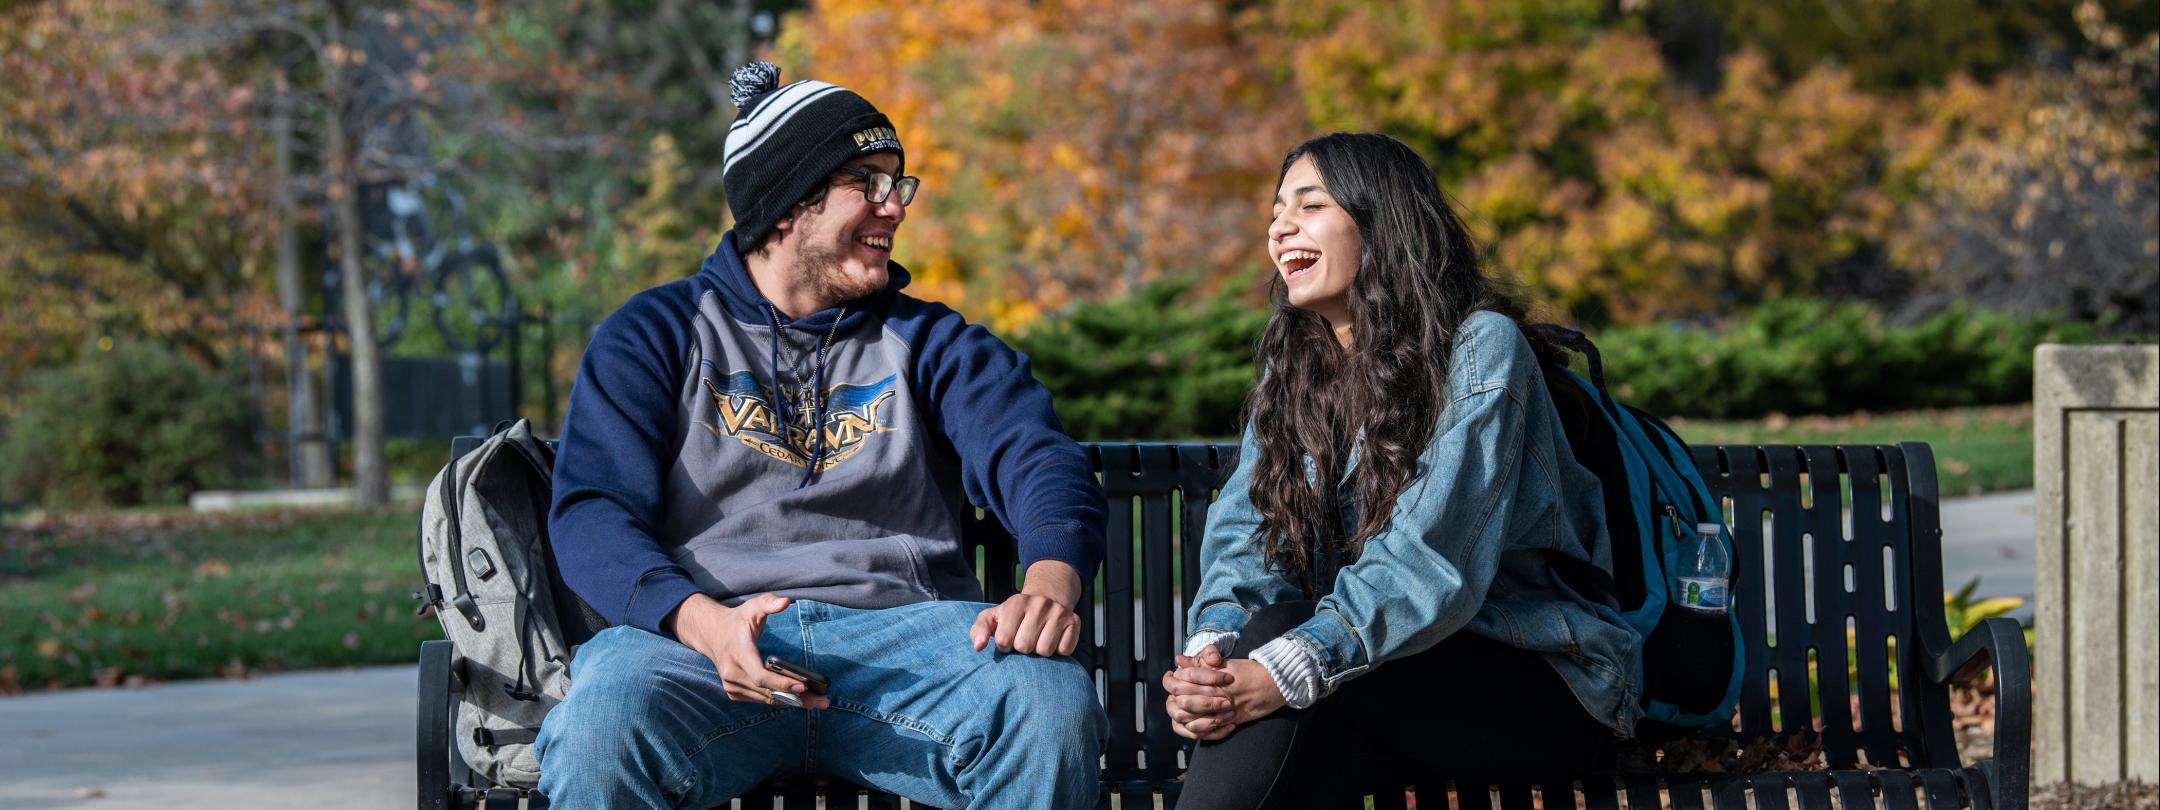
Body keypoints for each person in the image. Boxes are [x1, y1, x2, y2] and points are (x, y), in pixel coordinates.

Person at [535, 62, 1108, 809]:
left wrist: (1049, 584)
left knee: (1045, 699)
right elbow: (592, 513)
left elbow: (1038, 457)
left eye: (897, 185)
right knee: (603, 715)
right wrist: (701, 623)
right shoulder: (654, 334)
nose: (893, 208)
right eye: (866, 183)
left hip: (911, 649)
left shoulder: (930, 342)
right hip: (702, 652)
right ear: (784, 204)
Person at [1161, 132, 1643, 807]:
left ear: (1382, 222)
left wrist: (1281, 663)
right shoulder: (1294, 364)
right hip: (1375, 679)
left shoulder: (1479, 349)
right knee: (1284, 740)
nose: (1280, 227)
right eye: (1275, 211)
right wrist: (1212, 662)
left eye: (1310, 205)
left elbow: (1428, 565)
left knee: (1281, 661)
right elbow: (1249, 532)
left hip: (1541, 682)